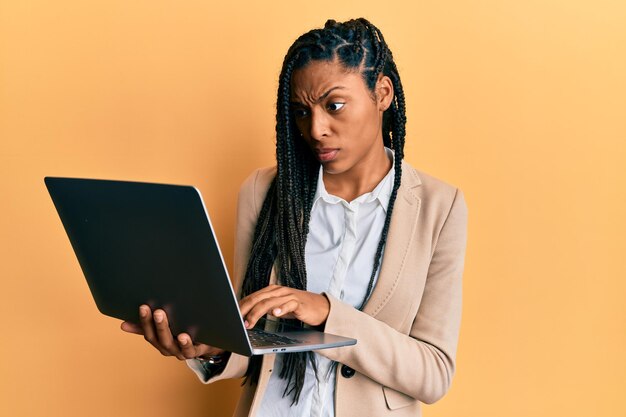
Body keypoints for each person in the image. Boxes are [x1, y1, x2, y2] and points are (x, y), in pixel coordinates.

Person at [121, 18, 467, 417]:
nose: (315, 129)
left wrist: (326, 312)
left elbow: (434, 372)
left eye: (333, 106)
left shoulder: (440, 207)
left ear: (383, 92)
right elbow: (250, 334)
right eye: (301, 112)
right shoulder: (264, 191)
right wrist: (210, 348)